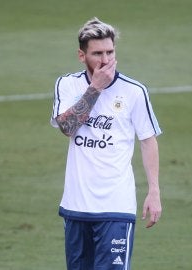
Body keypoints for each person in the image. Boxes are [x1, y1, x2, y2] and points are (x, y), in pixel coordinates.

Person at [50, 17, 162, 270]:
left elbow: (148, 140)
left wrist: (154, 191)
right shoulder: (67, 84)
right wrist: (95, 89)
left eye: (110, 52)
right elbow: (67, 128)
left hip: (116, 206)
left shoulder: (134, 91)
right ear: (82, 56)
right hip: (76, 206)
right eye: (97, 53)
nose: (105, 60)